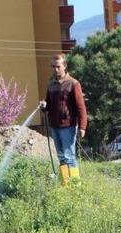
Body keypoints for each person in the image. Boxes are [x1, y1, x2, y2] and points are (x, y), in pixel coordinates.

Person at [39, 53, 87, 185]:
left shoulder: (73, 84)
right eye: (53, 67)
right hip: (54, 126)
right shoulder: (51, 85)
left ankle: (76, 186)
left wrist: (82, 127)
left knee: (69, 157)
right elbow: (48, 104)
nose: (55, 69)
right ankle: (66, 185)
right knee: (61, 158)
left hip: (68, 127)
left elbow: (81, 107)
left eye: (58, 66)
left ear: (64, 66)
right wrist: (44, 106)